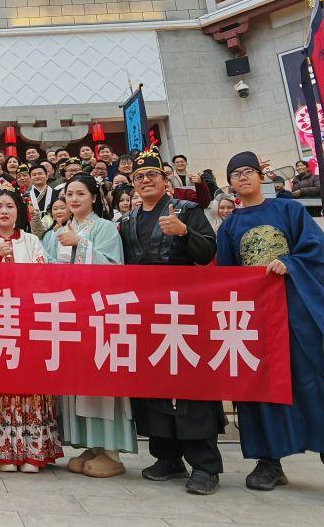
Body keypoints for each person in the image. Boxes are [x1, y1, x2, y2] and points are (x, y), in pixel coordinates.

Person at [216, 152, 324, 510]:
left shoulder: (289, 211)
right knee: (259, 391)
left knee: (313, 390)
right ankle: (270, 461)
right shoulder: (230, 227)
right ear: (230, 184)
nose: (242, 178)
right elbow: (225, 279)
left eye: (248, 171)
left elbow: (319, 252)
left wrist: (291, 262)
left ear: (260, 176)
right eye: (235, 174)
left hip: (295, 317)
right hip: (256, 323)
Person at [119, 149, 224, 495]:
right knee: (153, 385)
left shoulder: (187, 210)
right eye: (139, 177)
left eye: (152, 175)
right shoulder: (128, 220)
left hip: (183, 312)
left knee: (192, 386)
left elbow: (208, 252)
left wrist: (183, 233)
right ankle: (167, 456)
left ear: (166, 180)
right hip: (145, 313)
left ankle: (205, 465)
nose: (145, 181)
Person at [43, 174, 136, 477]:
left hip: (99, 313)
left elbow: (114, 269)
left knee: (100, 380)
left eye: (80, 193)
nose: (73, 199)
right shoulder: (60, 231)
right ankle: (91, 445)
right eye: (69, 194)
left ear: (94, 197)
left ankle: (111, 450)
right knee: (77, 380)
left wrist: (80, 244)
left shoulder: (105, 228)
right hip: (70, 313)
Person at [0, 188, 63, 474]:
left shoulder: (32, 241)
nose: (4, 211)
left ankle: (33, 450)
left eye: (10, 206)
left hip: (27, 320)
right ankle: (0, 449)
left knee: (30, 383)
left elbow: (43, 279)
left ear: (19, 211)